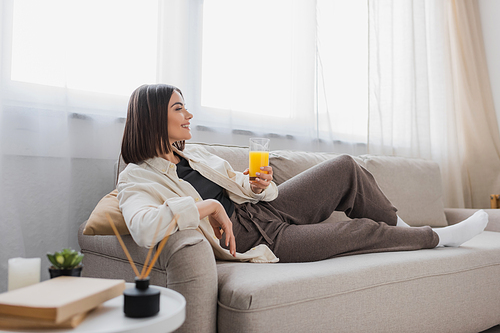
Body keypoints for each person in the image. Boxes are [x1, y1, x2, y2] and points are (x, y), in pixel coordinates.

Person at [117, 83, 489, 263]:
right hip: (251, 239)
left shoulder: (194, 155)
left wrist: (255, 183)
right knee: (356, 230)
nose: (189, 115)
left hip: (262, 211)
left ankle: (410, 232)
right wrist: (207, 209)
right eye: (179, 108)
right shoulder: (136, 177)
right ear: (153, 117)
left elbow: (245, 189)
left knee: (345, 167)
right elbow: (144, 227)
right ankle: (436, 240)